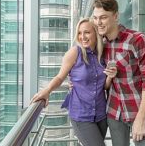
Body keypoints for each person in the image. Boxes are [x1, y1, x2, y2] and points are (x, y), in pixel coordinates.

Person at [31, 18, 116, 146]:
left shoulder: (102, 54)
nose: (83, 37)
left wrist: (110, 76)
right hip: (81, 116)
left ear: (95, 33)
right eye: (80, 33)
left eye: (87, 32)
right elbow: (60, 77)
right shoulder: (74, 52)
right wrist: (47, 90)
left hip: (101, 114)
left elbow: (103, 86)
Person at [92, 0, 145, 146]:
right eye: (95, 18)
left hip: (139, 111)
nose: (98, 23)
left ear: (115, 16)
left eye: (103, 17)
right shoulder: (100, 46)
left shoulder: (138, 40)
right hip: (114, 112)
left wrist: (140, 119)